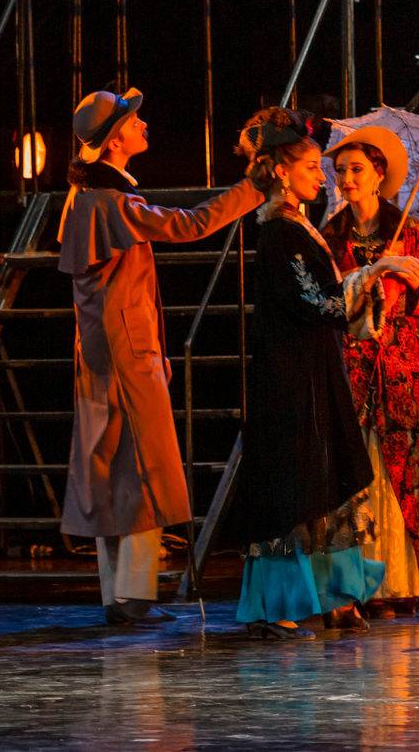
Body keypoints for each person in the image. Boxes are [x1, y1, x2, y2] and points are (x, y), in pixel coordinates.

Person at [55, 88, 262, 625]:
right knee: (143, 470)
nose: (143, 126)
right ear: (113, 140)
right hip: (124, 351)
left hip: (106, 348)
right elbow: (189, 225)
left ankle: (117, 595)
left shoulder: (89, 197)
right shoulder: (111, 201)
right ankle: (134, 596)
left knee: (109, 466)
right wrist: (254, 187)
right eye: (133, 122)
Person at [229, 107, 419, 640]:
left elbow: (332, 305)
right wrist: (377, 268)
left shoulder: (297, 227)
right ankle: (278, 603)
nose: (324, 178)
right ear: (280, 171)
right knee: (294, 486)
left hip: (313, 369)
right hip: (290, 376)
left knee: (327, 479)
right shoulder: (280, 231)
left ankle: (336, 594)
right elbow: (319, 303)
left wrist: (381, 274)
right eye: (313, 167)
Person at [321, 128, 419, 617]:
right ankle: (353, 587)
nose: (347, 179)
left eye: (357, 170)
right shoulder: (331, 235)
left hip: (396, 372)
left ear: (379, 176)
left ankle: (395, 585)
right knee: (353, 479)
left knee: (397, 474)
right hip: (350, 370)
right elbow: (324, 300)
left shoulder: (408, 231)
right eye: (340, 171)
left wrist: (412, 285)